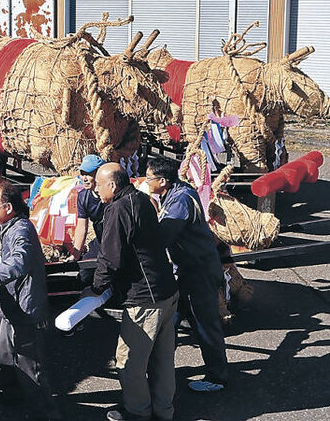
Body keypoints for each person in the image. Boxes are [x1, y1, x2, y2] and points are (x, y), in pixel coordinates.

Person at [82, 163, 179, 421]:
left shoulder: (117, 209)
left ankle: (138, 412)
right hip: (167, 290)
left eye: (99, 184)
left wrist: (94, 289)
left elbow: (110, 258)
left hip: (144, 298)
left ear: (112, 185)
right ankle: (163, 410)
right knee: (163, 359)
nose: (96, 189)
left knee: (130, 362)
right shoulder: (142, 200)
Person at [0, 184, 61, 421]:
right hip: (12, 306)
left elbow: (20, 261)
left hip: (26, 309)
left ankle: (46, 414)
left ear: (8, 207)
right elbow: (14, 256)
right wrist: (1, 256)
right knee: (4, 355)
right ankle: (11, 396)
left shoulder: (21, 230)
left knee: (31, 367)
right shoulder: (11, 227)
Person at [144, 158, 229, 393]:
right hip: (185, 271)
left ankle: (217, 377)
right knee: (169, 323)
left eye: (149, 178)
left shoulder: (180, 200)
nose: (146, 181)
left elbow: (163, 235)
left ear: (163, 181)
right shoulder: (175, 192)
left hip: (198, 271)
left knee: (205, 325)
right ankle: (160, 373)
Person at [71, 154, 107, 286]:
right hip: (100, 238)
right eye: (82, 173)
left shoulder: (112, 193)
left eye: (89, 174)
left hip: (116, 239)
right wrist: (75, 254)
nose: (84, 178)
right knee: (85, 274)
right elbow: (82, 227)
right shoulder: (83, 196)